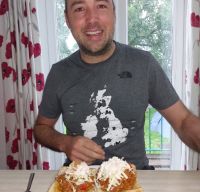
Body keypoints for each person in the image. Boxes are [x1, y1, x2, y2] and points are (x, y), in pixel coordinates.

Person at [34, 0, 200, 169]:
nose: (92, 19)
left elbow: (183, 121)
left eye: (101, 6)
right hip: (80, 181)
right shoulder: (59, 73)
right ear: (68, 20)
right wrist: (65, 142)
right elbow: (41, 128)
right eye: (79, 9)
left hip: (136, 179)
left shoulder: (144, 64)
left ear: (113, 13)